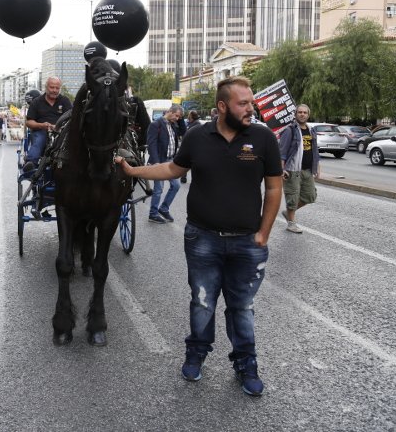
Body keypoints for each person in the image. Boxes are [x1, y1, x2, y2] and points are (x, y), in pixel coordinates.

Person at [114, 76, 282, 397]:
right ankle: (196, 353)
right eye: (243, 103)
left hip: (247, 243)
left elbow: (274, 188)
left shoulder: (263, 138)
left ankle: (246, 363)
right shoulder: (197, 136)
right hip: (203, 239)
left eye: (251, 102)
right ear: (222, 106)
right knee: (202, 302)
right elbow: (172, 170)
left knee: (242, 307)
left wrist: (264, 233)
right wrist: (134, 172)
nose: (251, 108)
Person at [278, 104, 319, 234]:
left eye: (305, 112)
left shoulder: (311, 130)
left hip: (307, 170)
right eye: (300, 112)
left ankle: (288, 212)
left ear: (308, 115)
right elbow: (282, 151)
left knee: (310, 196)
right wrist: (282, 169)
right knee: (292, 197)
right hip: (292, 170)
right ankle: (291, 223)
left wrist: (317, 167)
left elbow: (315, 151)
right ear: (295, 114)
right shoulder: (290, 130)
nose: (302, 114)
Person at [22, 77, 72, 171]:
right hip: (41, 131)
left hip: (62, 132)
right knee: (39, 139)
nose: (54, 90)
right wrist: (42, 125)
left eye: (57, 88)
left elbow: (72, 118)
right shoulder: (36, 102)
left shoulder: (65, 101)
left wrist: (59, 127)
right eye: (52, 87)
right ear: (46, 87)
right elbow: (29, 122)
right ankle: (31, 163)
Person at [146, 104, 185, 223]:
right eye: (176, 116)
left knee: (176, 185)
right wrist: (156, 162)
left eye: (179, 117)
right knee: (158, 189)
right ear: (170, 111)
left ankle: (163, 209)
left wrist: (181, 118)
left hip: (170, 160)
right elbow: (151, 144)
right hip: (160, 161)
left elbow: (183, 131)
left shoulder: (173, 125)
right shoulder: (156, 124)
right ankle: (153, 214)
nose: (177, 118)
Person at [181, 110, 202, 183]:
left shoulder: (197, 124)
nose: (188, 116)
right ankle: (183, 178)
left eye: (189, 115)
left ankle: (194, 180)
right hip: (189, 147)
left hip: (194, 147)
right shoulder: (192, 123)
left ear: (192, 116)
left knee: (192, 164)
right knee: (185, 163)